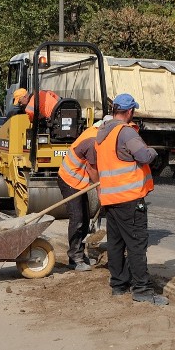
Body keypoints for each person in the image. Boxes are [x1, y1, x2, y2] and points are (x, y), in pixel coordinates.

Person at [91, 93, 167, 306]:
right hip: (129, 199)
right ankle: (141, 289)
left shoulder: (103, 133)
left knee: (115, 243)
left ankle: (118, 285)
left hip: (111, 199)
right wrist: (152, 151)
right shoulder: (124, 132)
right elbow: (143, 156)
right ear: (130, 111)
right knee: (136, 243)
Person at [56, 114, 111, 271]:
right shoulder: (93, 141)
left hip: (79, 182)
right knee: (78, 218)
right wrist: (101, 191)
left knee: (85, 218)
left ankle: (80, 254)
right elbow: (92, 170)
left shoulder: (97, 132)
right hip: (69, 180)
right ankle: (75, 258)